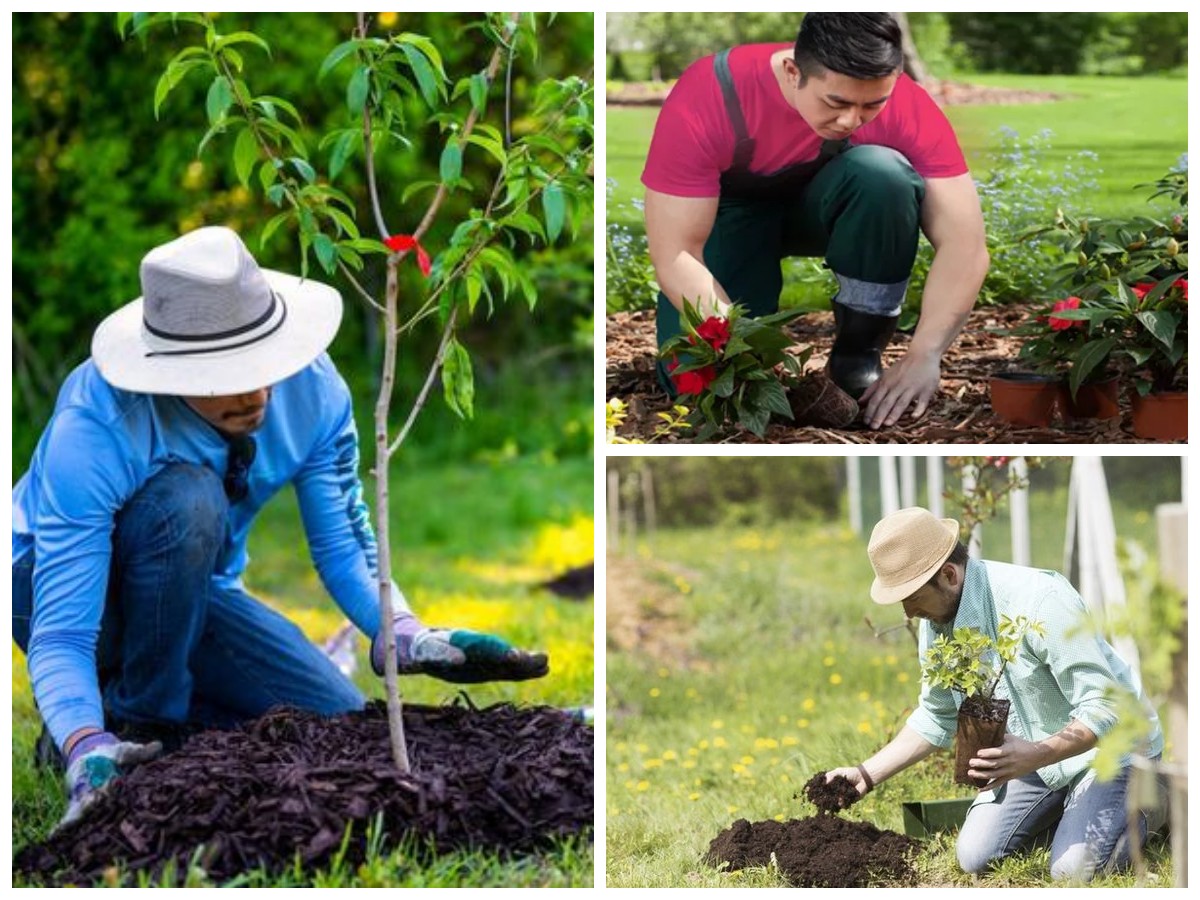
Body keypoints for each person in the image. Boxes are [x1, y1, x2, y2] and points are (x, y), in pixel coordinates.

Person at [12, 226, 549, 827]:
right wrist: (85, 744)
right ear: (170, 371)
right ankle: (132, 727)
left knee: (333, 720)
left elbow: (346, 541)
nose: (254, 391)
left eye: (261, 362)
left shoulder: (314, 392)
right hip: (54, 587)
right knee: (189, 498)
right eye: (222, 374)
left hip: (195, 590)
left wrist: (401, 630)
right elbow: (64, 631)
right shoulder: (99, 425)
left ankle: (127, 714)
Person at [641, 13, 988, 430]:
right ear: (793, 72)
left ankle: (856, 357)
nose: (851, 120)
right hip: (729, 217)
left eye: (871, 105)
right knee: (704, 390)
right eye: (836, 103)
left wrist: (925, 354)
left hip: (829, 207)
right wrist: (741, 350)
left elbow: (965, 246)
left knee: (884, 176)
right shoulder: (713, 93)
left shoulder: (906, 104)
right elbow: (676, 252)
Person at [826, 507, 1164, 881]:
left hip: (1111, 751)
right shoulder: (939, 622)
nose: (907, 611)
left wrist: (1035, 754)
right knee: (975, 855)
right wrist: (864, 774)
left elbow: (1105, 705)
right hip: (1037, 757)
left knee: (1071, 873)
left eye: (911, 596)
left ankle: (1161, 802)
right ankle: (1074, 815)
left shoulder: (1039, 600)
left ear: (949, 576)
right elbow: (937, 716)